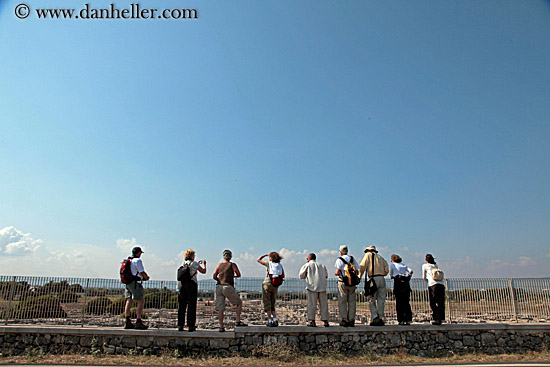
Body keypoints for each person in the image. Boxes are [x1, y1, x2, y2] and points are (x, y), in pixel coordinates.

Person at [213, 249, 247, 332]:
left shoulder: (219, 265)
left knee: (220, 308)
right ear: (230, 256)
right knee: (238, 303)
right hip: (228, 286)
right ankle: (237, 321)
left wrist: (219, 279)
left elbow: (214, 275)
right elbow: (238, 274)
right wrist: (232, 276)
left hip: (219, 286)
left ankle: (221, 326)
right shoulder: (232, 265)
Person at [359, 245, 389, 326]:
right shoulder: (380, 258)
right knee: (381, 300)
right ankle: (380, 317)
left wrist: (359, 276)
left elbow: (362, 266)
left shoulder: (368, 255)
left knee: (372, 299)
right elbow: (387, 269)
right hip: (382, 278)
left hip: (373, 279)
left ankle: (375, 317)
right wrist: (383, 273)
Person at [177, 249, 206, 332]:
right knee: (191, 305)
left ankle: (180, 325)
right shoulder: (194, 264)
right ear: (192, 256)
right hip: (191, 284)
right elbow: (203, 271)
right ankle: (191, 325)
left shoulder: (183, 263)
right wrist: (204, 265)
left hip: (182, 285)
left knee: (182, 306)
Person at [299, 253, 329, 327]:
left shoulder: (307, 265)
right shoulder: (322, 265)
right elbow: (326, 275)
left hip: (312, 287)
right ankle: (325, 321)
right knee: (324, 305)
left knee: (312, 305)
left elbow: (301, 275)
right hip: (322, 287)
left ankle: (312, 321)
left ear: (309, 258)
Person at [124, 246, 150, 330]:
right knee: (140, 301)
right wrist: (146, 277)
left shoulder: (129, 260)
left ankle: (127, 320)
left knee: (129, 300)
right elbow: (141, 271)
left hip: (128, 282)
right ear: (138, 253)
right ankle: (138, 320)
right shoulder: (137, 261)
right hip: (135, 283)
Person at [334, 245, 360, 327]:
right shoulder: (352, 259)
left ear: (340, 252)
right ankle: (351, 320)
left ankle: (344, 319)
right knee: (352, 302)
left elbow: (337, 272)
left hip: (343, 282)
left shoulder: (339, 260)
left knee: (343, 300)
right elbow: (358, 271)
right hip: (352, 283)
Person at [257, 252, 285, 327]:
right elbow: (283, 275)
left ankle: (269, 320)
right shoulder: (280, 266)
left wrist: (264, 255)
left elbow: (258, 260)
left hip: (267, 284)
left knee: (267, 303)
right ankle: (275, 319)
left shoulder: (269, 264)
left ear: (271, 258)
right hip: (275, 285)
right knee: (272, 303)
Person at [389, 254, 413, 325]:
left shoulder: (392, 265)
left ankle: (401, 319)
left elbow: (391, 276)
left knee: (399, 302)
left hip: (398, 283)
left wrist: (394, 277)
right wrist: (408, 277)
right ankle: (408, 319)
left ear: (393, 260)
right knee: (406, 302)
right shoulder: (404, 265)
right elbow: (411, 271)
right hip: (405, 284)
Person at [422, 253, 445, 325]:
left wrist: (426, 279)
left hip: (432, 284)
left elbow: (424, 277)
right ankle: (442, 318)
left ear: (426, 260)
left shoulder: (425, 266)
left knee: (433, 302)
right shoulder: (435, 265)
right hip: (441, 284)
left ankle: (436, 318)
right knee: (440, 302)